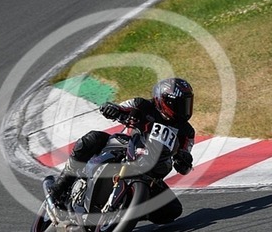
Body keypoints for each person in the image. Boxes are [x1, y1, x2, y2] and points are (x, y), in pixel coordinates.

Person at [47, 77, 195, 224]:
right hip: (124, 147)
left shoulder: (187, 131)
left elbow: (186, 155)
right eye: (179, 104)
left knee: (173, 209)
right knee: (93, 138)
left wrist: (184, 160)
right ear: (163, 100)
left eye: (186, 103)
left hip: (153, 169)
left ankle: (127, 213)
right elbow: (122, 107)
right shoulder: (141, 105)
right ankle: (59, 188)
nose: (184, 108)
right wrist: (113, 109)